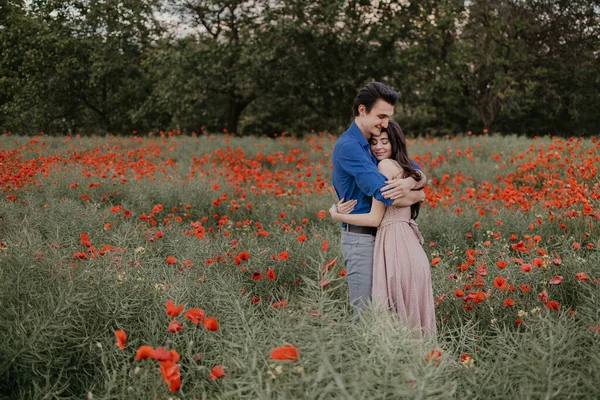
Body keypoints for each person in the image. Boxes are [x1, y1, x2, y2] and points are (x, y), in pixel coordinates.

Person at [331, 82, 427, 321]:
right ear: (362, 110)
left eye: (388, 118)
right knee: (365, 315)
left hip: (385, 238)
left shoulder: (376, 145)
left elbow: (416, 172)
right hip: (361, 239)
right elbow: (384, 193)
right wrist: (418, 194)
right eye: (381, 116)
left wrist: (410, 183)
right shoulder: (350, 147)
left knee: (390, 315)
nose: (385, 123)